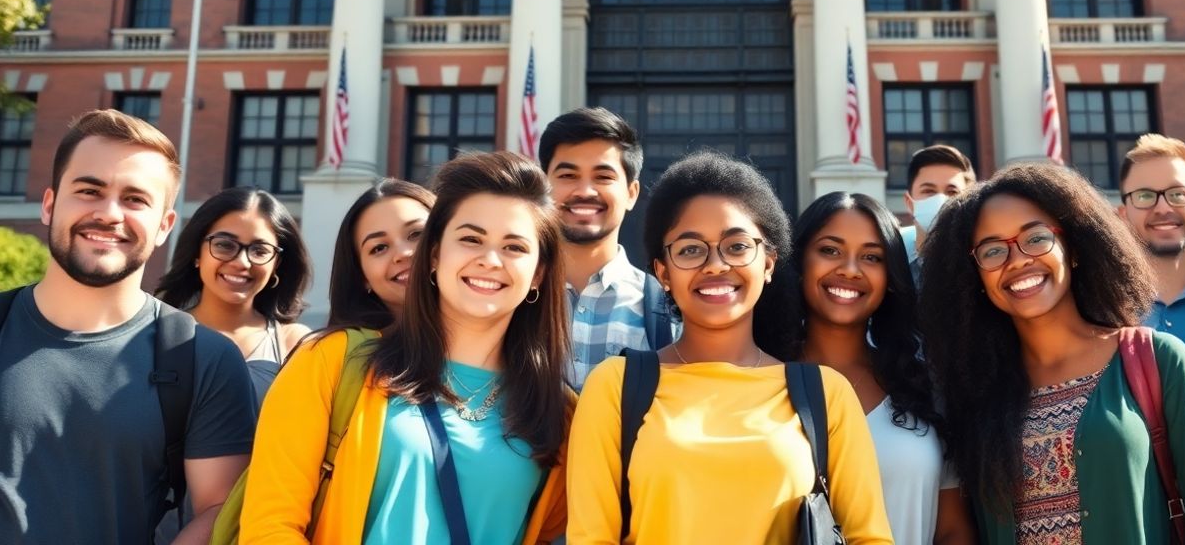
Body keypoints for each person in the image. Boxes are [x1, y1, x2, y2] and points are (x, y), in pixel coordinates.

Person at [241, 151, 572, 543]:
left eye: (514, 247)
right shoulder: (332, 362)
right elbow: (270, 525)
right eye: (470, 239)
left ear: (538, 274)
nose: (490, 260)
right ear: (434, 256)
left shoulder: (559, 412)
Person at [567, 151, 892, 544]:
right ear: (663, 272)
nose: (716, 265)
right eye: (690, 249)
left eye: (737, 246)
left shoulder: (825, 393)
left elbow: (869, 537)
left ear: (768, 263)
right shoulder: (614, 387)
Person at [917, 162, 1185, 544]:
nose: (1018, 259)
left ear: (1073, 247)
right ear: (973, 275)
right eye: (992, 250)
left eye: (1036, 238)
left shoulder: (1157, 359)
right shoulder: (974, 392)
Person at [0, 109, 255, 544]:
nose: (109, 213)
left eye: (135, 199)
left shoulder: (203, 359)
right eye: (89, 191)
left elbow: (220, 508)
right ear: (50, 204)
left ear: (164, 226)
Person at [756, 191, 975, 545]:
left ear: (890, 277)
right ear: (799, 263)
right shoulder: (758, 379)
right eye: (830, 250)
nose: (850, 269)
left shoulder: (923, 384)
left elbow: (953, 530)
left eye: (872, 257)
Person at [538, 107, 674, 390]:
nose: (585, 191)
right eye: (568, 175)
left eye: (603, 177)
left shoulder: (666, 312)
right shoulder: (512, 299)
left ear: (631, 194)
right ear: (543, 189)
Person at [158, 186, 312, 406]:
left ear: (276, 264)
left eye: (260, 251)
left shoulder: (294, 344)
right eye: (224, 245)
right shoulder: (156, 335)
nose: (242, 262)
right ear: (197, 253)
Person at [1117, 134, 1185, 367]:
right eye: (1144, 196)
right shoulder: (1100, 312)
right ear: (1124, 215)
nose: (1162, 208)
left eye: (1178, 194)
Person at [326, 178, 436, 329]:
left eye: (416, 234)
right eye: (379, 248)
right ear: (362, 276)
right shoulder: (342, 344)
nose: (403, 253)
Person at [900, 145, 975, 285]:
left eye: (952, 192)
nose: (941, 200)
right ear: (909, 203)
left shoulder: (982, 264)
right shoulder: (889, 259)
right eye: (929, 191)